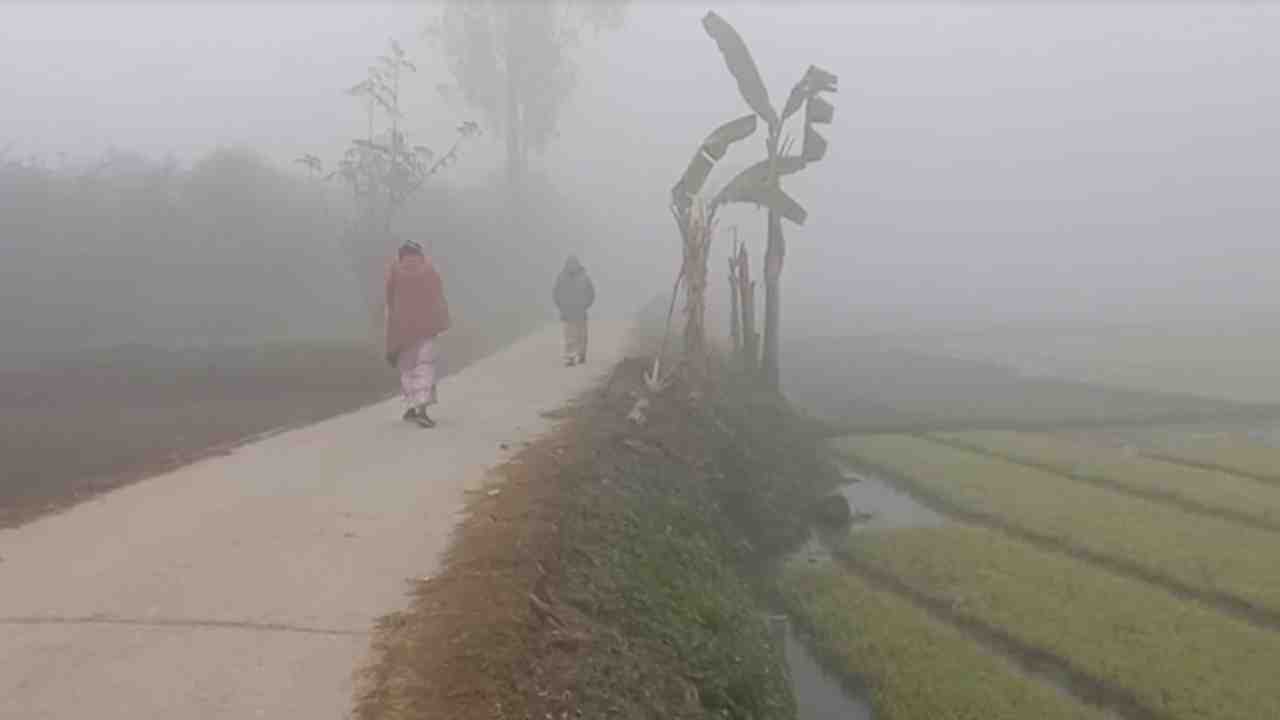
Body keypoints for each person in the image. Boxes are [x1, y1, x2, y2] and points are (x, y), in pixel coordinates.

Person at [385, 239, 450, 428]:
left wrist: (394, 320)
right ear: (420, 254)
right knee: (425, 366)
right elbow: (438, 295)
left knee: (408, 369)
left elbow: (389, 298)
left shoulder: (394, 270)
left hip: (402, 329)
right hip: (426, 327)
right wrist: (439, 321)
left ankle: (412, 408)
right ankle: (421, 410)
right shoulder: (429, 269)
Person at [553, 256, 595, 367]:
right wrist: (561, 306)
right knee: (569, 336)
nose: (572, 266)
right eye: (570, 264)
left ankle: (581, 354)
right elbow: (556, 293)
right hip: (567, 312)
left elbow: (591, 293)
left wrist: (586, 305)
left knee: (582, 335)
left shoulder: (584, 278)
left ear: (578, 265)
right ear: (566, 266)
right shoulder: (561, 278)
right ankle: (570, 357)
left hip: (581, 311)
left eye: (574, 264)